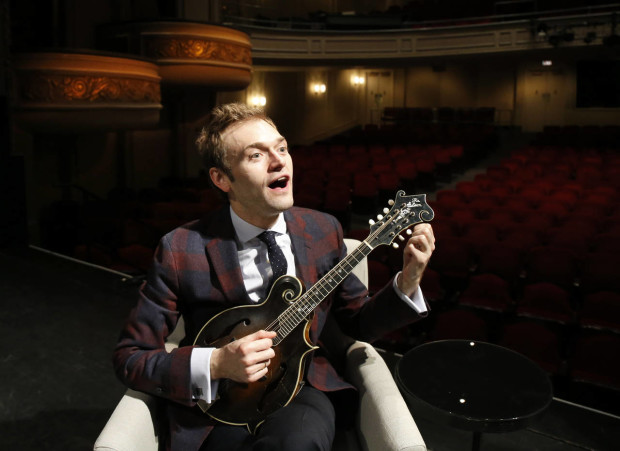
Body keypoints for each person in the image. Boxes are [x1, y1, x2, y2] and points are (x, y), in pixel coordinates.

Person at [113, 102, 435, 451]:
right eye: (256, 155)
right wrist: (217, 363)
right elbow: (130, 356)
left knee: (297, 443)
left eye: (281, 147)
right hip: (218, 401)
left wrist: (408, 281)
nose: (279, 160)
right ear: (221, 179)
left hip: (303, 386)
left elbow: (357, 323)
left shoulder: (323, 230)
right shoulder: (180, 248)